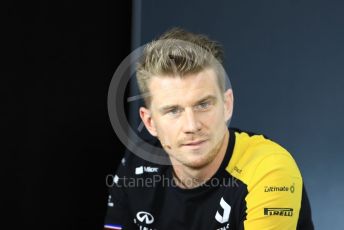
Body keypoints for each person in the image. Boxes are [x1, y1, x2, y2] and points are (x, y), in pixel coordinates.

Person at [104, 27, 314, 230]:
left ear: (227, 105)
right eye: (173, 110)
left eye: (203, 105)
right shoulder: (135, 166)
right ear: (150, 122)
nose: (192, 125)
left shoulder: (268, 167)